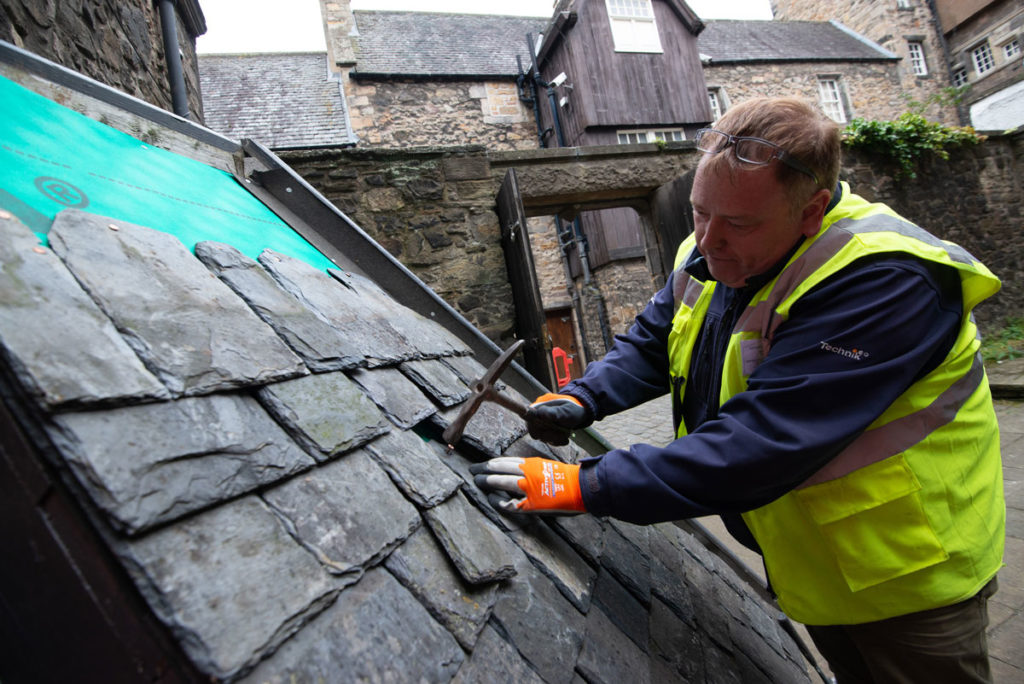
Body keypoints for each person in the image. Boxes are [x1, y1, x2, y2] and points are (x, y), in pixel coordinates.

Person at [473, 96, 1005, 683]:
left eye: (739, 223)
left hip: (911, 576)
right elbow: (655, 340)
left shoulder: (885, 280)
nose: (707, 240)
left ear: (812, 211)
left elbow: (767, 438)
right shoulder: (713, 252)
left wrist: (584, 483)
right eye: (700, 212)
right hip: (815, 564)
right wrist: (585, 396)